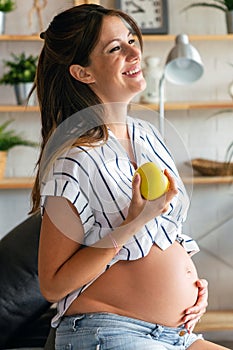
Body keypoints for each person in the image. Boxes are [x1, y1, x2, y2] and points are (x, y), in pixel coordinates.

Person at [30, 4, 229, 350]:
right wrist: (132, 222)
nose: (135, 52)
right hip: (108, 330)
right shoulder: (73, 161)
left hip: (177, 334)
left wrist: (193, 282)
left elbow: (166, 232)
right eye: (115, 48)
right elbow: (53, 284)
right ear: (83, 73)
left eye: (131, 40)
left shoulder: (148, 135)